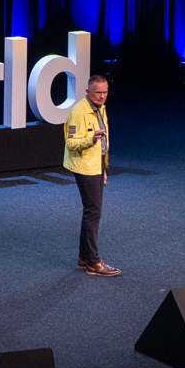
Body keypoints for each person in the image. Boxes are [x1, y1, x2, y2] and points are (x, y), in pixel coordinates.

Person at [63, 74, 119, 276]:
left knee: (91, 211)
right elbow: (70, 143)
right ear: (88, 92)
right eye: (98, 93)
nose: (102, 96)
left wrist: (103, 167)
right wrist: (90, 139)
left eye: (105, 92)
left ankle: (84, 257)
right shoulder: (78, 112)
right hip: (84, 167)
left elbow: (103, 145)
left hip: (96, 167)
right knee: (93, 212)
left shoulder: (100, 109)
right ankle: (93, 262)